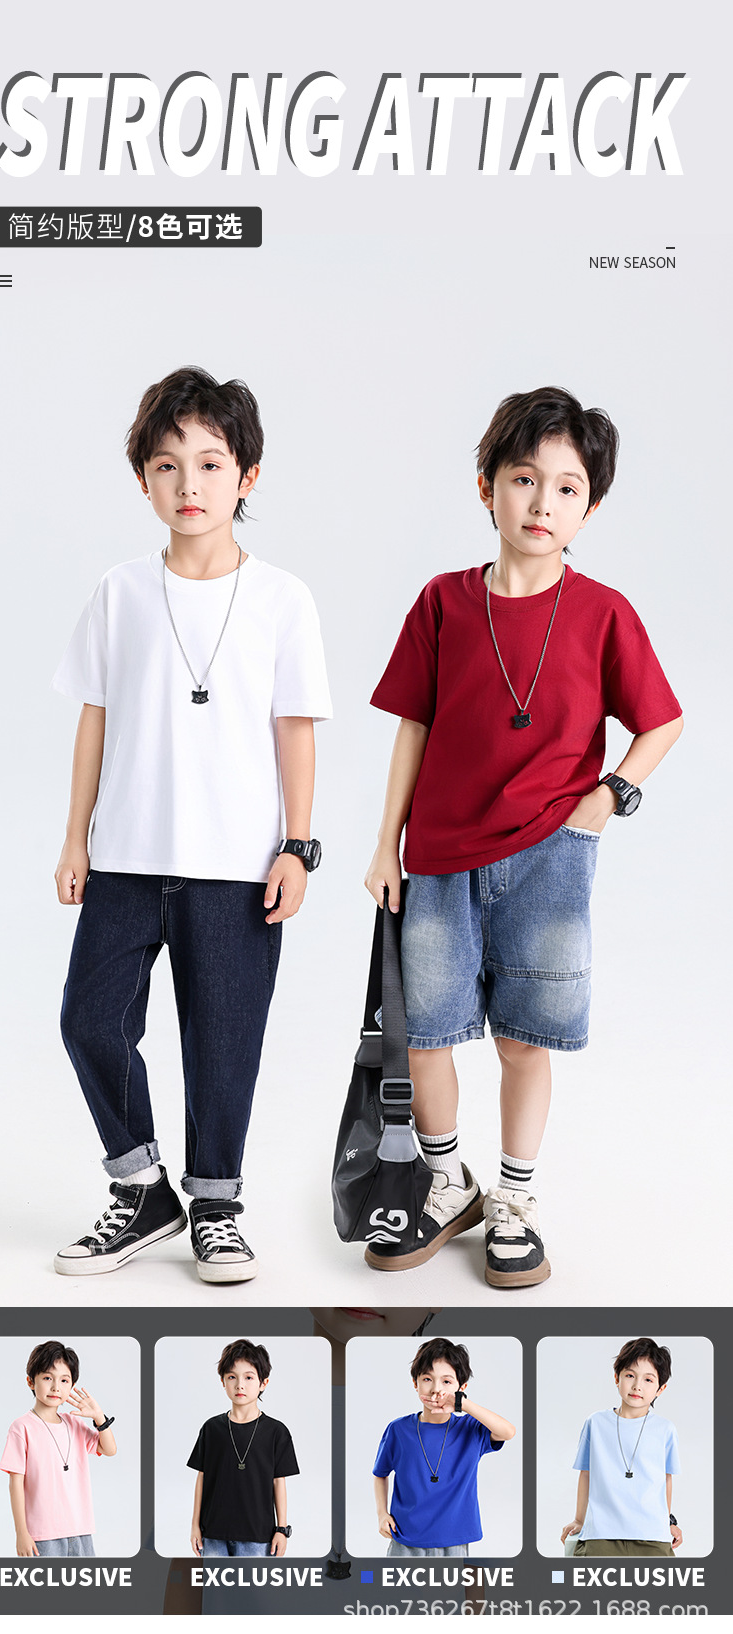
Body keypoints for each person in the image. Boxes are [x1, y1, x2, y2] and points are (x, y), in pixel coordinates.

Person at [365, 386, 683, 1285]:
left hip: (550, 858)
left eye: (567, 488)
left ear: (590, 507)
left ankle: (514, 1198)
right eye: (523, 479)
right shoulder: (443, 603)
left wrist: (609, 798)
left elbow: (661, 721)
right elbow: (414, 726)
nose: (543, 503)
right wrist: (384, 844)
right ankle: (446, 1184)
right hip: (439, 856)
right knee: (427, 1034)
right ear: (487, 488)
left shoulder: (604, 612)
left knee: (523, 1039)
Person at [52, 367, 331, 1283]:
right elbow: (94, 719)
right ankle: (143, 1189)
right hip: (127, 858)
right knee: (89, 1020)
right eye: (167, 465)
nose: (189, 484)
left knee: (223, 1049)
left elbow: (295, 728)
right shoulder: (120, 591)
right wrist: (75, 837)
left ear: (247, 476)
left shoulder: (283, 598)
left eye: (210, 464)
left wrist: (297, 845)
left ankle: (215, 1206)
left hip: (237, 866)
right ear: (143, 478)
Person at [372, 1337, 514, 1556]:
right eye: (427, 1379)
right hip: (405, 1537)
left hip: (454, 1540)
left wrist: (462, 1404)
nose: (436, 1389)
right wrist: (382, 1514)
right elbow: (380, 1474)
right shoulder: (398, 1430)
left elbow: (508, 1431)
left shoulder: (471, 1428)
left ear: (461, 1387)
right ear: (415, 1383)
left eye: (447, 1382)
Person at [561, 1337, 682, 1557]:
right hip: (601, 1534)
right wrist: (579, 1519)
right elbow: (586, 1474)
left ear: (661, 1388)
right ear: (616, 1378)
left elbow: (665, 1479)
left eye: (648, 1379)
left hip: (652, 1535)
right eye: (630, 1375)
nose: (637, 1386)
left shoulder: (665, 1429)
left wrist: (668, 1521)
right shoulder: (595, 1423)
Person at [0, 1339, 116, 1557]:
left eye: (64, 1380)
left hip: (80, 1531)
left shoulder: (73, 1423)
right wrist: (21, 1533)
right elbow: (15, 1484)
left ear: (72, 1385)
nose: (56, 1387)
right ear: (30, 1381)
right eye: (47, 1378)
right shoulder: (22, 1427)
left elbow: (109, 1449)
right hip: (43, 1535)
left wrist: (99, 1417)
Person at [188, 1339, 298, 1557]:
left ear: (263, 1383)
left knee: (252, 1581)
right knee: (214, 1581)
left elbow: (279, 1482)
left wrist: (281, 1529)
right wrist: (194, 1526)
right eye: (232, 1377)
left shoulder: (276, 1432)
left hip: (258, 1536)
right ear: (223, 1381)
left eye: (248, 1377)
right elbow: (202, 1478)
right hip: (213, 1533)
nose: (240, 1385)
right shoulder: (211, 1428)